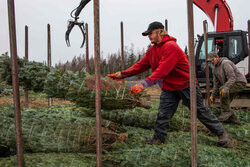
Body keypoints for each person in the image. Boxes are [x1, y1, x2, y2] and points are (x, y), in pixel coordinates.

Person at [108, 21, 230, 147]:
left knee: (199, 111)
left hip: (186, 85)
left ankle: (222, 135)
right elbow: (140, 66)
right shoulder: (152, 51)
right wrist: (121, 75)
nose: (149, 36)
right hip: (169, 88)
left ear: (159, 31)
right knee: (163, 113)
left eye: (151, 33)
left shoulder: (170, 46)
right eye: (147, 34)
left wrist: (143, 84)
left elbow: (163, 70)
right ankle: (158, 139)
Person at [207, 52, 247, 124]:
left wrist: (226, 87)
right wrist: (213, 95)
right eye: (210, 61)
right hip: (230, 84)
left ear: (217, 57)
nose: (212, 62)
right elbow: (216, 84)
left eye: (212, 60)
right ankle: (236, 122)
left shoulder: (225, 63)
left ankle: (226, 113)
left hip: (239, 83)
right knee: (226, 104)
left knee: (222, 91)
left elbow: (232, 77)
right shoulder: (214, 70)